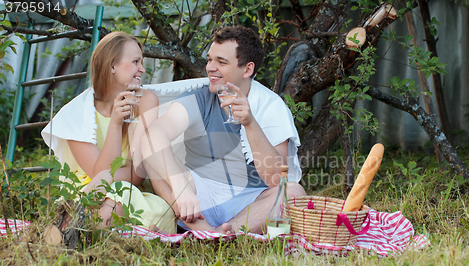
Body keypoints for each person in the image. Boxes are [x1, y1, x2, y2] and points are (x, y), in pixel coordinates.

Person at [140, 26, 306, 234]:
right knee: (152, 157)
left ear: (247, 70)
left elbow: (277, 180)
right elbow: (152, 135)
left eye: (221, 62)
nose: (210, 67)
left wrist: (250, 123)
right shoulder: (199, 98)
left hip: (248, 204)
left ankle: (215, 234)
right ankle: (204, 231)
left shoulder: (271, 106)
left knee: (293, 192)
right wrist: (180, 188)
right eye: (210, 60)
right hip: (199, 198)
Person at [41, 31, 176, 233]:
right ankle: (77, 229)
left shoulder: (145, 101)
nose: (143, 69)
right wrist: (114, 124)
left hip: (128, 190)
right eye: (136, 62)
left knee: (137, 204)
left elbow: (136, 173)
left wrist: (105, 180)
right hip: (85, 193)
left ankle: (73, 231)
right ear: (112, 65)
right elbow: (97, 173)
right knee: (111, 205)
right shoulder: (76, 114)